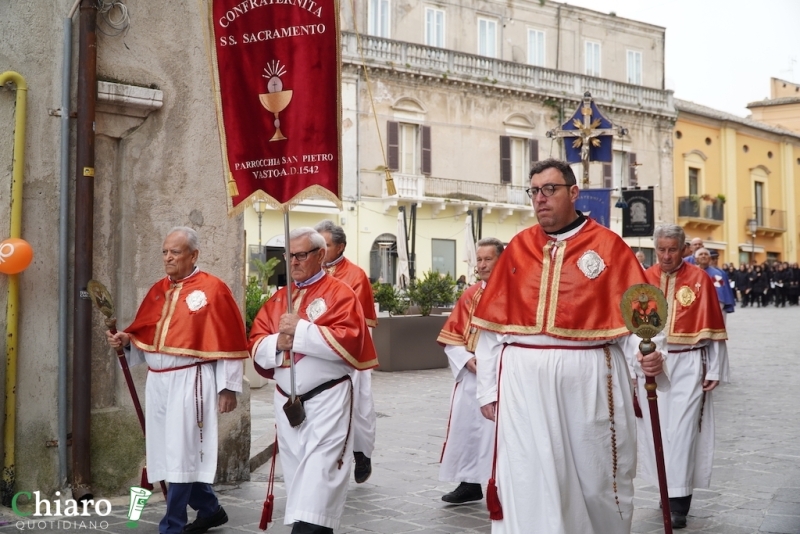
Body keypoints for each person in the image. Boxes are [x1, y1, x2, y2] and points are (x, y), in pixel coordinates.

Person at [471, 159, 665, 534]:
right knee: (528, 477)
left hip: (589, 379)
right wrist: (488, 389)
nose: (540, 199)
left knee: (595, 481)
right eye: (534, 192)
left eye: (550, 190)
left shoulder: (609, 247)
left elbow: (639, 323)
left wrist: (651, 358)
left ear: (573, 193)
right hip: (522, 386)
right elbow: (492, 330)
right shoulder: (517, 250)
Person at [105, 227, 248, 534]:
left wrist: (228, 388)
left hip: (190, 381)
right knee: (165, 451)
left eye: (175, 252)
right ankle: (210, 510)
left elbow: (230, 341)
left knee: (182, 451)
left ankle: (172, 525)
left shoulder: (213, 289)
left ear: (193, 255)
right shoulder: (158, 289)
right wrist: (126, 341)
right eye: (165, 252)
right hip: (158, 383)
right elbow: (145, 334)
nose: (168, 257)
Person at [249, 227, 379, 534]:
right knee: (300, 484)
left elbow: (350, 342)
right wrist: (277, 344)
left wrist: (302, 330)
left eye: (301, 255)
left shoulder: (340, 294)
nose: (293, 261)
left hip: (327, 403)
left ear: (320, 255)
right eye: (289, 255)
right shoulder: (279, 298)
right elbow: (256, 341)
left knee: (319, 482)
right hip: (287, 403)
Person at [638, 225, 729, 530]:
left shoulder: (699, 280)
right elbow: (630, 329)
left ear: (684, 249)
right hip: (652, 366)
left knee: (684, 431)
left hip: (689, 363)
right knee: (657, 431)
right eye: (661, 249)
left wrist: (715, 369)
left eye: (672, 249)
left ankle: (679, 502)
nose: (666, 255)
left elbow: (714, 330)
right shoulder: (644, 280)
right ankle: (666, 491)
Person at [437, 237, 504, 504]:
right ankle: (469, 482)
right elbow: (452, 336)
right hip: (471, 374)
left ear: (501, 260)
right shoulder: (470, 294)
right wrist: (466, 360)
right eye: (479, 259)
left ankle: (498, 483)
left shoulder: (515, 293)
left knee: (494, 432)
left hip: (501, 374)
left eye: (488, 259)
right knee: (467, 429)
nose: (482, 264)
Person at [314, 219, 378, 484]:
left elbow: (363, 323)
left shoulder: (355, 275)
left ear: (340, 246)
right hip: (316, 351)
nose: (320, 250)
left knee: (358, 407)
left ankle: (361, 453)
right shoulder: (309, 273)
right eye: (317, 245)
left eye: (326, 245)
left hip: (350, 353)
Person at [694, 248, 735, 320]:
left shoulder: (716, 274)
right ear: (696, 259)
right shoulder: (691, 272)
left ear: (709, 258)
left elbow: (719, 295)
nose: (703, 256)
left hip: (711, 309)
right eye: (701, 254)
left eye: (706, 254)